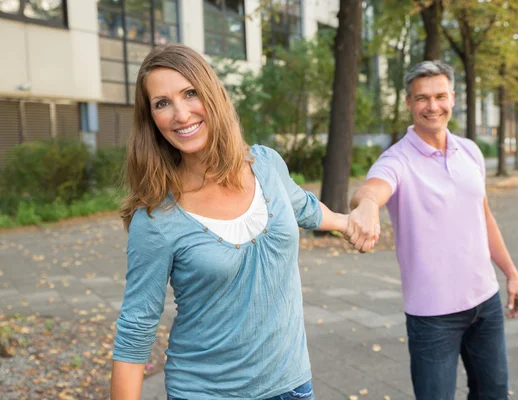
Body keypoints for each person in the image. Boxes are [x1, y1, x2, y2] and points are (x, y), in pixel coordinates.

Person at [110, 43, 349, 400]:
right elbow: (136, 330)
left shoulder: (267, 165)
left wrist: (350, 223)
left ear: (214, 93)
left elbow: (307, 209)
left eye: (190, 93)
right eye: (162, 103)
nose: (180, 113)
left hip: (292, 386)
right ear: (152, 119)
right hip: (205, 392)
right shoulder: (156, 218)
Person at [345, 61, 518, 399]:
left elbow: (483, 217)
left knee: (495, 394)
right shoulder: (396, 160)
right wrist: (368, 204)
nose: (432, 106)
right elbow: (371, 189)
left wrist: (511, 273)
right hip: (433, 315)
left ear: (453, 98)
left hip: (485, 303)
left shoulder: (470, 151)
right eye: (422, 98)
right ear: (409, 103)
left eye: (440, 96)